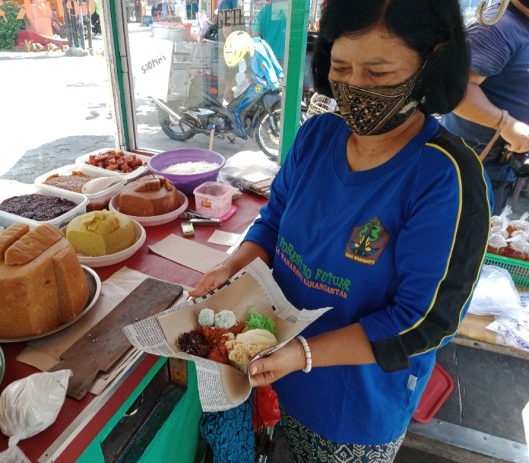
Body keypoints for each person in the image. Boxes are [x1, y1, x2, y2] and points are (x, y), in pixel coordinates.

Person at [189, 0, 491, 462]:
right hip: (272, 365)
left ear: (432, 60)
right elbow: (273, 223)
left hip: (351, 410)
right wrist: (232, 265)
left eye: (378, 73)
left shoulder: (445, 177)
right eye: (341, 68)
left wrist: (302, 355)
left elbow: (424, 320)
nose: (354, 88)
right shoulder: (317, 136)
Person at [441, 0, 529, 216]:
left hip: (501, 170)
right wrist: (506, 123)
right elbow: (454, 89)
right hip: (468, 170)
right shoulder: (499, 27)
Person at [251, 0, 288, 67]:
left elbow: (255, 35)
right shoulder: (292, 12)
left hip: (268, 57)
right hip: (288, 57)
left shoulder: (264, 11)